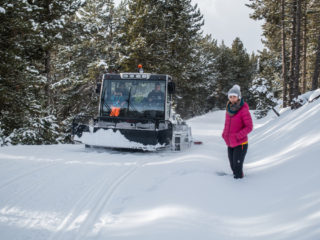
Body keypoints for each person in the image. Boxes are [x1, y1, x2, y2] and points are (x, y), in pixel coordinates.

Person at [222, 84, 253, 179]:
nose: (232, 99)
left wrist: (238, 136)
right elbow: (227, 125)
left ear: (238, 97)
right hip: (230, 143)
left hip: (240, 143)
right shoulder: (229, 109)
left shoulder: (243, 110)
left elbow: (249, 127)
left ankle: (239, 187)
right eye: (230, 97)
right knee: (232, 166)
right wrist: (224, 134)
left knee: (237, 168)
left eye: (234, 96)